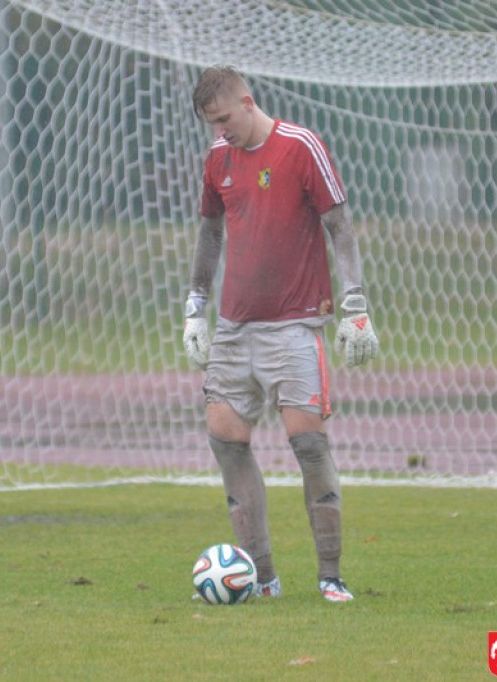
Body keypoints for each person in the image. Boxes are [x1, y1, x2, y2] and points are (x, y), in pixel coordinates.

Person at [182, 65, 378, 603]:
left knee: (308, 444)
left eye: (224, 119)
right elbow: (210, 230)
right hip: (234, 328)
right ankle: (262, 578)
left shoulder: (301, 146)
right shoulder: (218, 159)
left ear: (247, 102)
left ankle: (330, 576)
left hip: (294, 324)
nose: (220, 132)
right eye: (211, 124)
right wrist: (196, 305)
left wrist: (355, 302)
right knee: (226, 441)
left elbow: (339, 223)